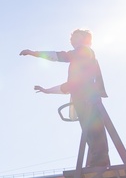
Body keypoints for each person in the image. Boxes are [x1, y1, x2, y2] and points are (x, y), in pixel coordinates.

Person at [22, 29, 110, 168]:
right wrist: (47, 91)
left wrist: (35, 53)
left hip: (88, 99)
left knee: (94, 132)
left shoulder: (84, 51)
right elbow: (70, 86)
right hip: (83, 99)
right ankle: (96, 161)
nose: (71, 39)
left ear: (84, 38)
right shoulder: (80, 60)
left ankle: (99, 162)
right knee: (91, 134)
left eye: (75, 36)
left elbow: (61, 56)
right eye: (71, 37)